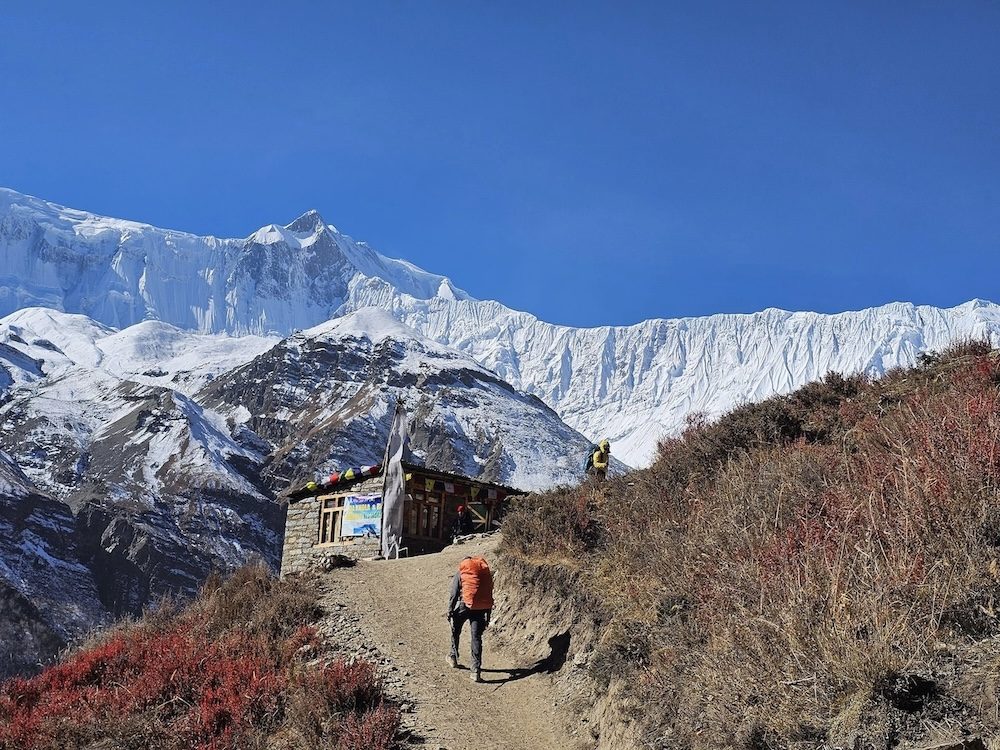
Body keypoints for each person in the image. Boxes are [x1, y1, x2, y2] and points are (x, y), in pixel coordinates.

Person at [446, 555, 494, 683]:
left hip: (464, 605)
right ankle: (476, 671)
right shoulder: (483, 574)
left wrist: (450, 610)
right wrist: (488, 614)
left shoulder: (461, 572)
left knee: (455, 629)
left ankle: (453, 656)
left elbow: (454, 593)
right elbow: (488, 593)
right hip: (481, 608)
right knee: (476, 638)